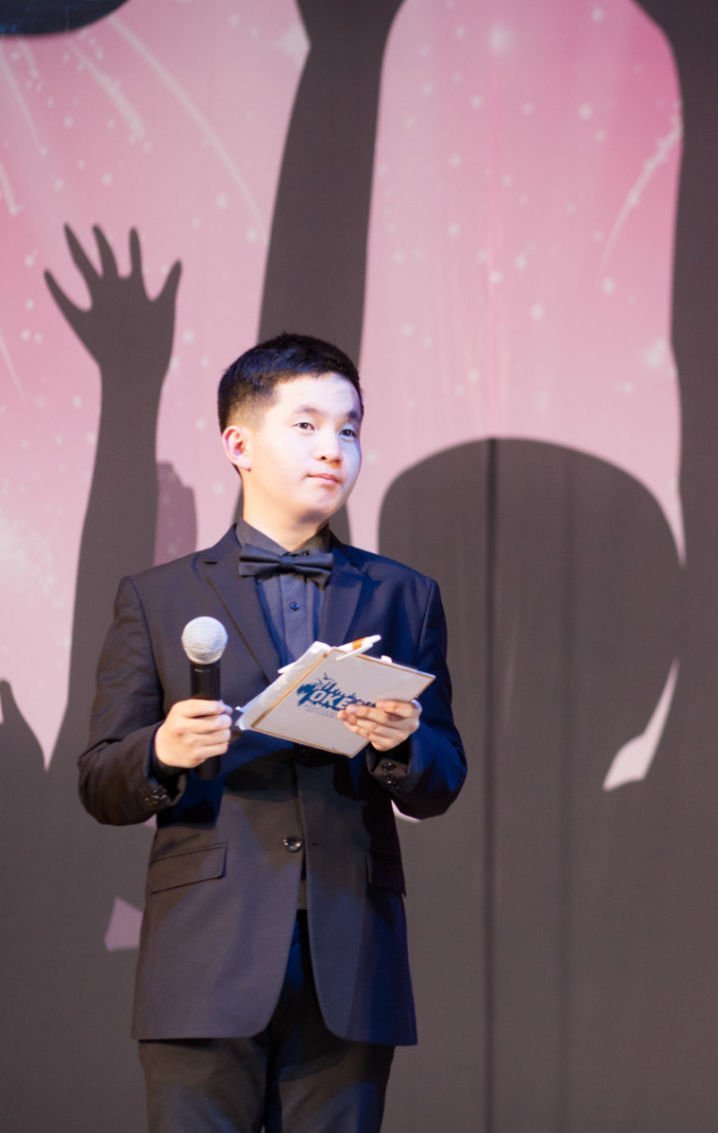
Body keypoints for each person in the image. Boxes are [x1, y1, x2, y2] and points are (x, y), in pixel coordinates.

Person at [78, 333, 468, 1131]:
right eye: (307, 425)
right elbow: (100, 778)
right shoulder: (157, 596)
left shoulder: (404, 595)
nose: (333, 448)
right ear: (239, 444)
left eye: (349, 429)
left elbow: (442, 779)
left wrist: (399, 741)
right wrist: (161, 751)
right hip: (203, 957)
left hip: (351, 955)